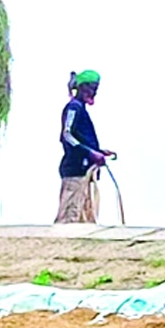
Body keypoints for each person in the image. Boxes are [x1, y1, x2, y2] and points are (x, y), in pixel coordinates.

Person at [54, 69, 114, 223]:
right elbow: (67, 136)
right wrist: (89, 153)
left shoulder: (81, 110)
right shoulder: (74, 108)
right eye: (90, 88)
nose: (93, 93)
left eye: (95, 89)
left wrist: (98, 152)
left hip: (85, 173)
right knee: (69, 216)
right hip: (75, 171)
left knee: (85, 217)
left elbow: (79, 138)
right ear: (81, 87)